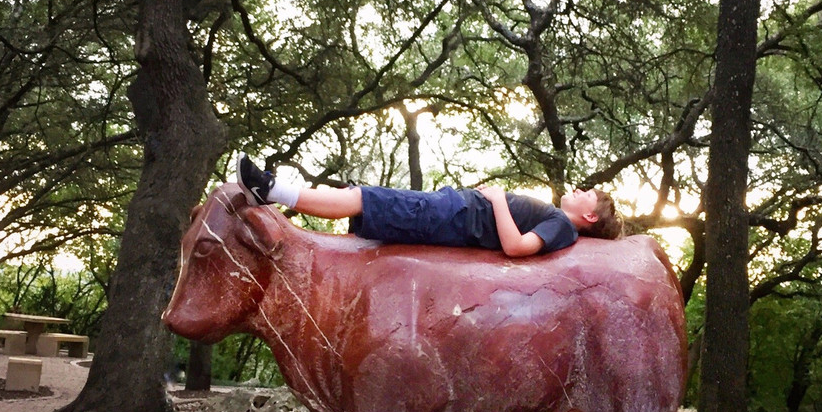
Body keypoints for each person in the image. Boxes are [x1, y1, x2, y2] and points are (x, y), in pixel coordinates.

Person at [236, 154, 623, 258]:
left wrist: (497, 199)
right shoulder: (561, 223)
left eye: (585, 193)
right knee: (365, 201)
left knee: (364, 199)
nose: (577, 189)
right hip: (453, 210)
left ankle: (271, 190)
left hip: (453, 214)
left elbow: (516, 247)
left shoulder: (562, 225)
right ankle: (274, 192)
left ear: (589, 216)